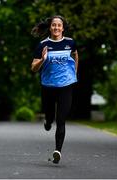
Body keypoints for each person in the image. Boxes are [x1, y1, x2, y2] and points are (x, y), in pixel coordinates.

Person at [31, 15, 79, 164]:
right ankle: (47, 120)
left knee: (61, 119)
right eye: (53, 25)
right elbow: (33, 68)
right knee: (50, 116)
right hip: (48, 86)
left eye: (59, 25)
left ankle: (57, 150)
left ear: (63, 28)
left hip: (66, 85)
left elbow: (75, 55)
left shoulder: (70, 42)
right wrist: (43, 59)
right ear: (50, 27)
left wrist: (74, 73)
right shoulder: (42, 45)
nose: (56, 28)